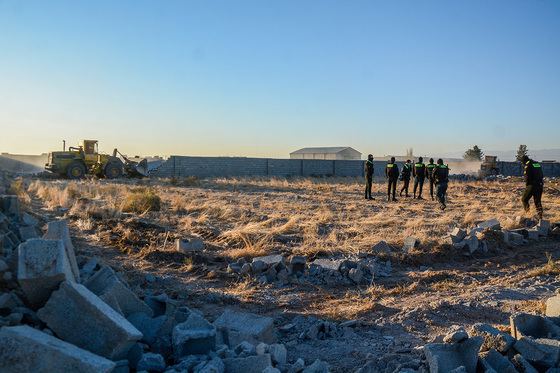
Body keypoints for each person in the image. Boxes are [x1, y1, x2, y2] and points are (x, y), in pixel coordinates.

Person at [521, 155, 544, 220]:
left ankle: (528, 215)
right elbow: (541, 174)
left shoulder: (527, 166)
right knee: (537, 202)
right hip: (540, 185)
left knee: (524, 199)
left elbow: (528, 177)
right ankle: (540, 217)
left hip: (532, 185)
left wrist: (527, 185)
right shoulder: (536, 164)